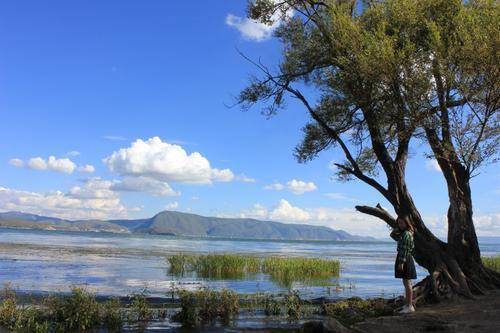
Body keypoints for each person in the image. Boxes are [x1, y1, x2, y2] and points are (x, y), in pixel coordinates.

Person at [390, 214, 417, 313]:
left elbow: (404, 249)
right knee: (406, 282)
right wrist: (397, 228)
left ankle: (409, 306)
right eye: (398, 223)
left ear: (407, 223)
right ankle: (407, 304)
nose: (400, 225)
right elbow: (393, 236)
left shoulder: (406, 234)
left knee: (407, 282)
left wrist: (401, 262)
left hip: (405, 258)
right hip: (404, 258)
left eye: (401, 223)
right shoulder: (404, 233)